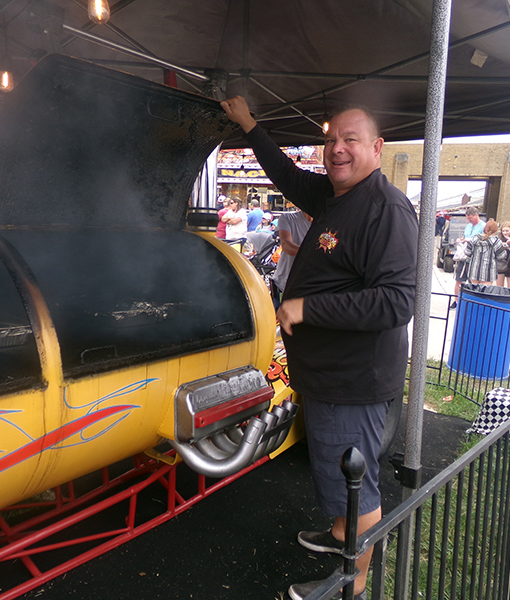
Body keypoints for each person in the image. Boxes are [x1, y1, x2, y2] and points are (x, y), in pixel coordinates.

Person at [221, 95, 418, 600]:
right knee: (337, 469)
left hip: (355, 380)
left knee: (358, 485)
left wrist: (307, 309)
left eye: (350, 139)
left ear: (376, 147)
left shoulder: (386, 209)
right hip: (329, 375)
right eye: (331, 140)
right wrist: (248, 125)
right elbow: (287, 176)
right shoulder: (337, 196)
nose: (337, 149)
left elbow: (397, 302)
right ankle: (338, 537)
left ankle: (351, 587)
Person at [271, 206, 312, 309]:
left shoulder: (326, 223)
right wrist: (316, 254)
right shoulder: (288, 218)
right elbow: (287, 246)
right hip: (285, 283)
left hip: (311, 288)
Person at [451, 207, 485, 308]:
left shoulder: (483, 226)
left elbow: (483, 240)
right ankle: (456, 301)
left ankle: (470, 302)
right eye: (468, 219)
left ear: (476, 215)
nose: (469, 220)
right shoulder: (468, 226)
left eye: (470, 218)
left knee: (472, 281)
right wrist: (462, 239)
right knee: (459, 279)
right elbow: (465, 236)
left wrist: (470, 240)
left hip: (474, 257)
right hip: (464, 256)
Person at [465, 219, 508, 285]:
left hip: (474, 271)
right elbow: (501, 257)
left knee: (474, 292)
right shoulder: (496, 241)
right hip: (488, 274)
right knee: (484, 293)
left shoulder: (475, 238)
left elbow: (467, 252)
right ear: (495, 230)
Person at [496, 221, 510, 288]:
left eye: (507, 231)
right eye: (503, 231)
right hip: (500, 265)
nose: (505, 233)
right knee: (499, 287)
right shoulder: (499, 240)